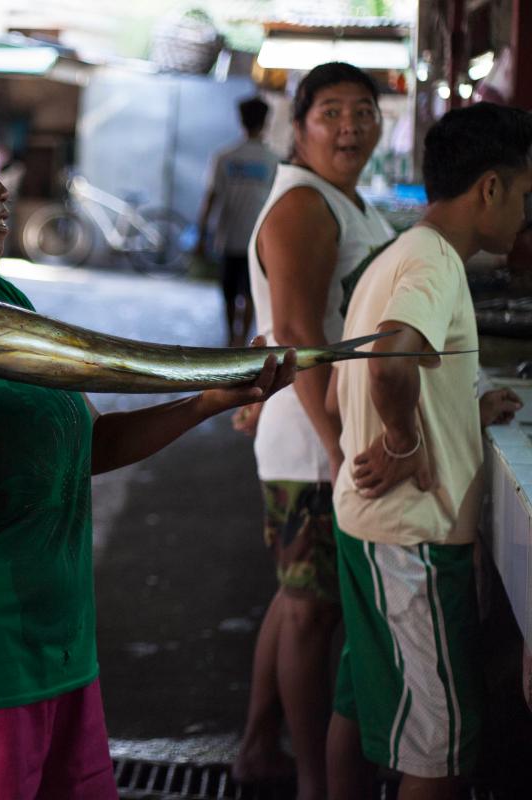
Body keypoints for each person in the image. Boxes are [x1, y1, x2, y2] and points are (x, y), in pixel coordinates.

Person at [0, 84, 297, 799]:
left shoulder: (3, 301)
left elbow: (83, 446)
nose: (3, 189)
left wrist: (205, 401)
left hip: (63, 665)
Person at [326, 102, 528, 800]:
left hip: (373, 529)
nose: (526, 216)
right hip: (410, 540)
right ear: (491, 189)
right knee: (439, 752)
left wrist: (457, 414)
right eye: (527, 196)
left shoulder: (401, 254)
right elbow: (388, 364)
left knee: (360, 699)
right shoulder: (436, 264)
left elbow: (343, 391)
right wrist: (407, 441)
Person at [235, 62, 396, 799]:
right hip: (312, 437)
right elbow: (298, 333)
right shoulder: (302, 204)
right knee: (312, 612)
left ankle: (259, 745)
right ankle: (310, 780)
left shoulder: (338, 196)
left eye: (363, 110)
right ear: (297, 128)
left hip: (313, 428)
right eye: (330, 112)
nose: (351, 126)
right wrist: (337, 445)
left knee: (297, 597)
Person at [195, 96, 279, 346]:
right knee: (252, 292)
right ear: (266, 122)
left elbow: (211, 198)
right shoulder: (273, 160)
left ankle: (233, 336)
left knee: (229, 292)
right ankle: (242, 337)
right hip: (259, 242)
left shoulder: (224, 156)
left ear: (240, 120)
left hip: (229, 237)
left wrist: (201, 234)